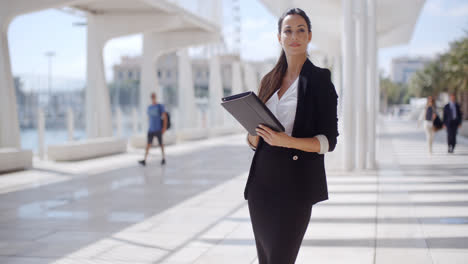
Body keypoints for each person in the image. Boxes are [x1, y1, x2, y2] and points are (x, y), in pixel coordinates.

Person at [245, 8, 338, 264]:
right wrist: (253, 135)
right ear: (279, 38)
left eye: (300, 30)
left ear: (309, 36)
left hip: (295, 187)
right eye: (288, 31)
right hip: (261, 185)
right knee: (266, 259)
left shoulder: (320, 80)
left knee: (281, 258)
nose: (294, 36)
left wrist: (287, 141)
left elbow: (329, 141)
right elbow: (255, 141)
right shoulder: (268, 80)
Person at [139, 92, 167, 166]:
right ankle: (144, 159)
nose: (153, 98)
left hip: (158, 129)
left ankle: (163, 158)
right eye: (152, 97)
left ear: (156, 97)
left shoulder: (159, 106)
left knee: (161, 144)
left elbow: (164, 117)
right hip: (151, 129)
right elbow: (149, 118)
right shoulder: (149, 107)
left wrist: (164, 127)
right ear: (151, 98)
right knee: (148, 144)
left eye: (154, 96)